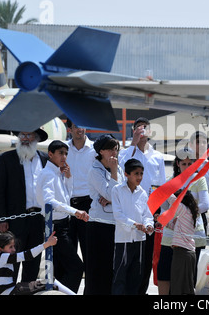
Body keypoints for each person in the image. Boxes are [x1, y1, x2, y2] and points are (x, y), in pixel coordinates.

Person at [0, 128, 49, 283]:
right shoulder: (6, 158)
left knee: (33, 263)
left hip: (38, 219)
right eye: (22, 135)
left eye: (29, 135)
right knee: (11, 263)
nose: (25, 138)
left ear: (36, 138)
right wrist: (1, 219)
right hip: (15, 219)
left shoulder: (45, 159)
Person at [119, 117, 166, 294]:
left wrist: (158, 211)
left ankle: (141, 290)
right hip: (130, 207)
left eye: (145, 128)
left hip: (150, 209)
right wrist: (133, 143)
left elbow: (161, 185)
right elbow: (121, 165)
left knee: (147, 255)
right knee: (129, 252)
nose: (142, 131)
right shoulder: (128, 152)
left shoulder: (157, 156)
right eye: (138, 128)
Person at [36, 140, 89, 293]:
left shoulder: (57, 173)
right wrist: (75, 211)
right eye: (60, 153)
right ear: (50, 154)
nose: (64, 157)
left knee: (61, 268)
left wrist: (69, 177)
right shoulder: (48, 174)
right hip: (55, 227)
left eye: (66, 153)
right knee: (76, 267)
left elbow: (66, 196)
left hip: (63, 224)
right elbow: (49, 201)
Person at [157, 148, 208, 295]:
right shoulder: (170, 181)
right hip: (170, 235)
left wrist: (186, 212)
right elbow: (164, 207)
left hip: (192, 236)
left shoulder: (200, 179)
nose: (187, 166)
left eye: (189, 163)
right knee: (164, 273)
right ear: (178, 164)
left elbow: (205, 204)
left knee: (188, 279)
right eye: (183, 163)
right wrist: (167, 216)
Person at [85, 134, 124, 295]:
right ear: (101, 151)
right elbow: (110, 194)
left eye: (116, 149)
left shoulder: (119, 168)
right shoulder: (95, 171)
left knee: (111, 268)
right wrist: (112, 196)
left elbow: (124, 193)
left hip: (115, 223)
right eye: (110, 149)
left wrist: (112, 198)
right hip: (99, 223)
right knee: (97, 268)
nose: (114, 153)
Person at [111, 159, 154, 295]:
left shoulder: (142, 192)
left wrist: (148, 225)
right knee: (120, 276)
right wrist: (135, 225)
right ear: (126, 174)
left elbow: (147, 214)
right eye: (136, 174)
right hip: (123, 240)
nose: (139, 177)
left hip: (140, 240)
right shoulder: (117, 190)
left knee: (136, 277)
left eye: (141, 173)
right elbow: (118, 215)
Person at [0, 231, 60, 295]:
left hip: (11, 290)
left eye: (14, 246)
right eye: (10, 247)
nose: (14, 249)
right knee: (49, 284)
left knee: (47, 282)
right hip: (12, 292)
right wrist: (47, 244)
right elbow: (28, 255)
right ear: (0, 249)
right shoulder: (3, 257)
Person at [65, 119, 96, 266]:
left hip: (88, 204)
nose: (80, 130)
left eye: (83, 125)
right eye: (76, 126)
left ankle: (90, 288)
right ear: (69, 129)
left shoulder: (95, 150)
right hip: (67, 204)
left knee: (89, 250)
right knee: (68, 252)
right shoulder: (63, 149)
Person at [169, 190, 200, 295]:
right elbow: (177, 229)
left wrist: (164, 189)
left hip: (182, 253)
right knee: (186, 287)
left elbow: (172, 200)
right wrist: (161, 221)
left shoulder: (184, 210)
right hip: (188, 253)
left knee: (178, 287)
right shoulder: (189, 213)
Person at [188, 131, 209, 231]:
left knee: (199, 245)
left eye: (204, 142)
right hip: (181, 212)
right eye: (198, 142)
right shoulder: (184, 165)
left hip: (200, 214)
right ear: (191, 144)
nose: (202, 145)